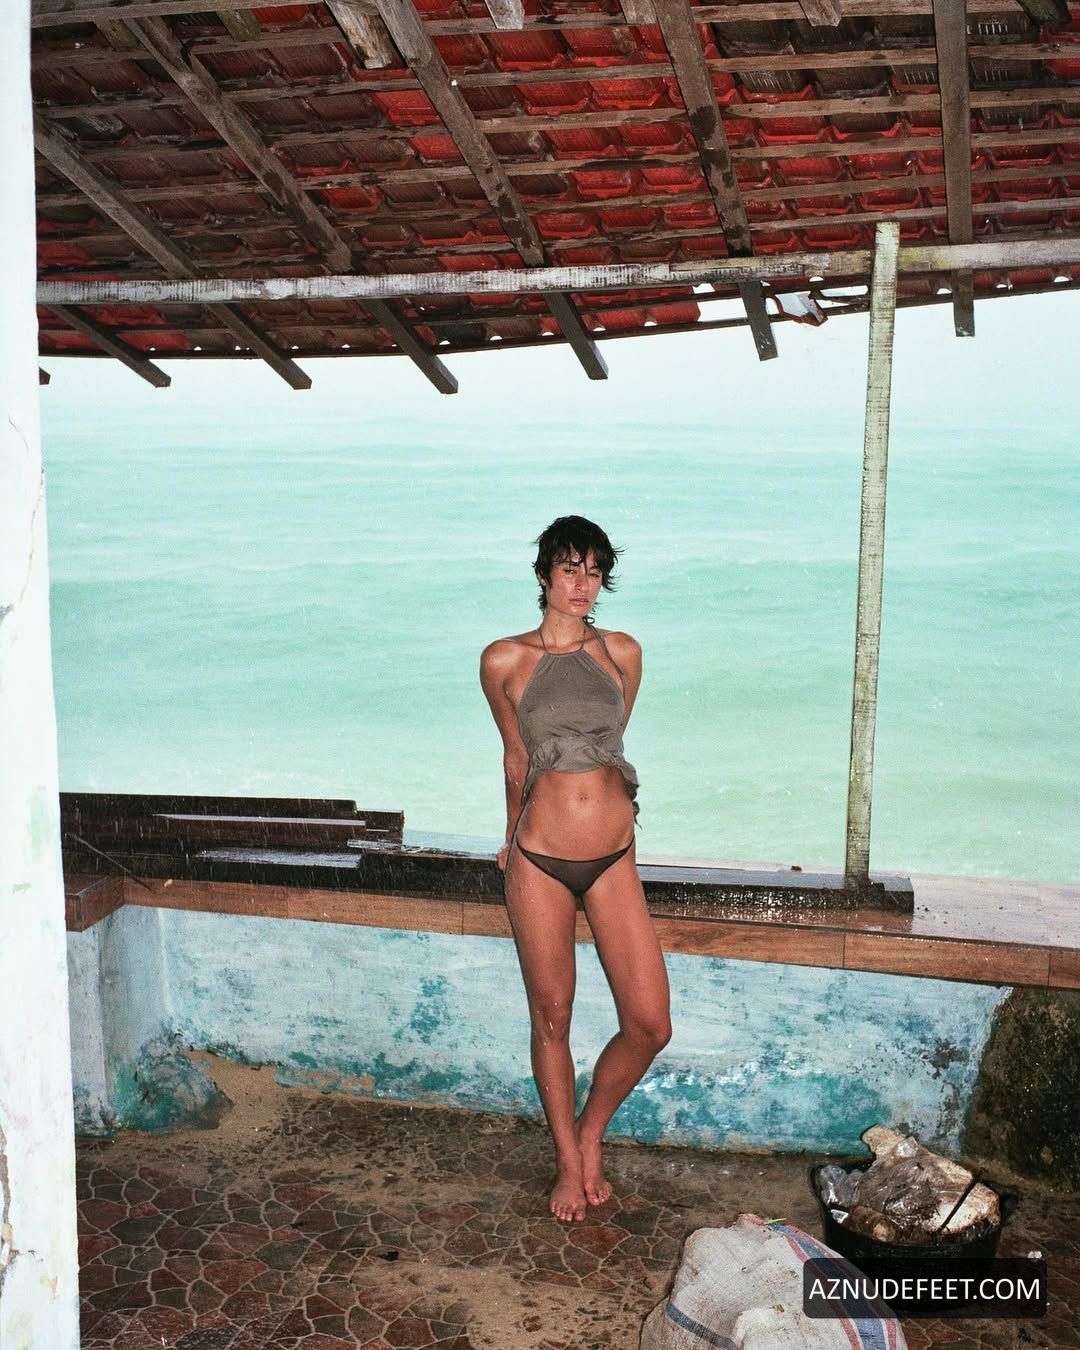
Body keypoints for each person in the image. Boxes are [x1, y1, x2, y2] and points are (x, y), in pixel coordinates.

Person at [480, 516, 672, 1224]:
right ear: (544, 575)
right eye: (570, 569)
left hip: (613, 857)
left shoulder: (622, 652)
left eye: (594, 572)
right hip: (539, 858)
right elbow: (517, 758)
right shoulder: (503, 660)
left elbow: (608, 746)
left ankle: (593, 1129)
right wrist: (509, 839)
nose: (582, 584)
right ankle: (568, 1157)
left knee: (650, 1023)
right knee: (552, 1016)